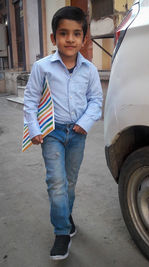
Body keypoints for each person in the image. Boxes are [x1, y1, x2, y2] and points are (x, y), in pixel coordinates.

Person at [23, 6, 103, 260]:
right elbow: (30, 100)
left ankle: (65, 213)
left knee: (69, 182)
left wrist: (85, 122)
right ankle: (61, 232)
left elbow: (96, 101)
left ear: (84, 39)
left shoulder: (89, 70)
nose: (70, 39)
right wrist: (34, 128)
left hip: (78, 134)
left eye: (76, 33)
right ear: (53, 38)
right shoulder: (42, 67)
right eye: (63, 33)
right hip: (52, 133)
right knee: (56, 182)